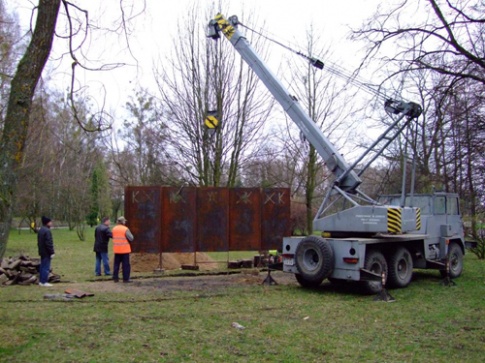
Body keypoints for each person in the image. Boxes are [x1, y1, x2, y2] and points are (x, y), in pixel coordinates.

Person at [112, 216, 134, 283]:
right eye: (124, 221)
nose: (125, 222)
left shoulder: (114, 229)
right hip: (124, 250)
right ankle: (126, 278)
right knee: (125, 265)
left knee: (116, 265)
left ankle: (115, 278)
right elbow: (131, 238)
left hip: (117, 249)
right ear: (122, 222)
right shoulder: (125, 229)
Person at [37, 216, 55, 287]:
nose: (51, 223)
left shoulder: (41, 230)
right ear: (47, 223)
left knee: (42, 266)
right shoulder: (47, 231)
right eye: (50, 222)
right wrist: (52, 252)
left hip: (42, 251)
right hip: (46, 252)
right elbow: (49, 243)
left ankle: (41, 281)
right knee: (46, 267)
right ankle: (44, 281)